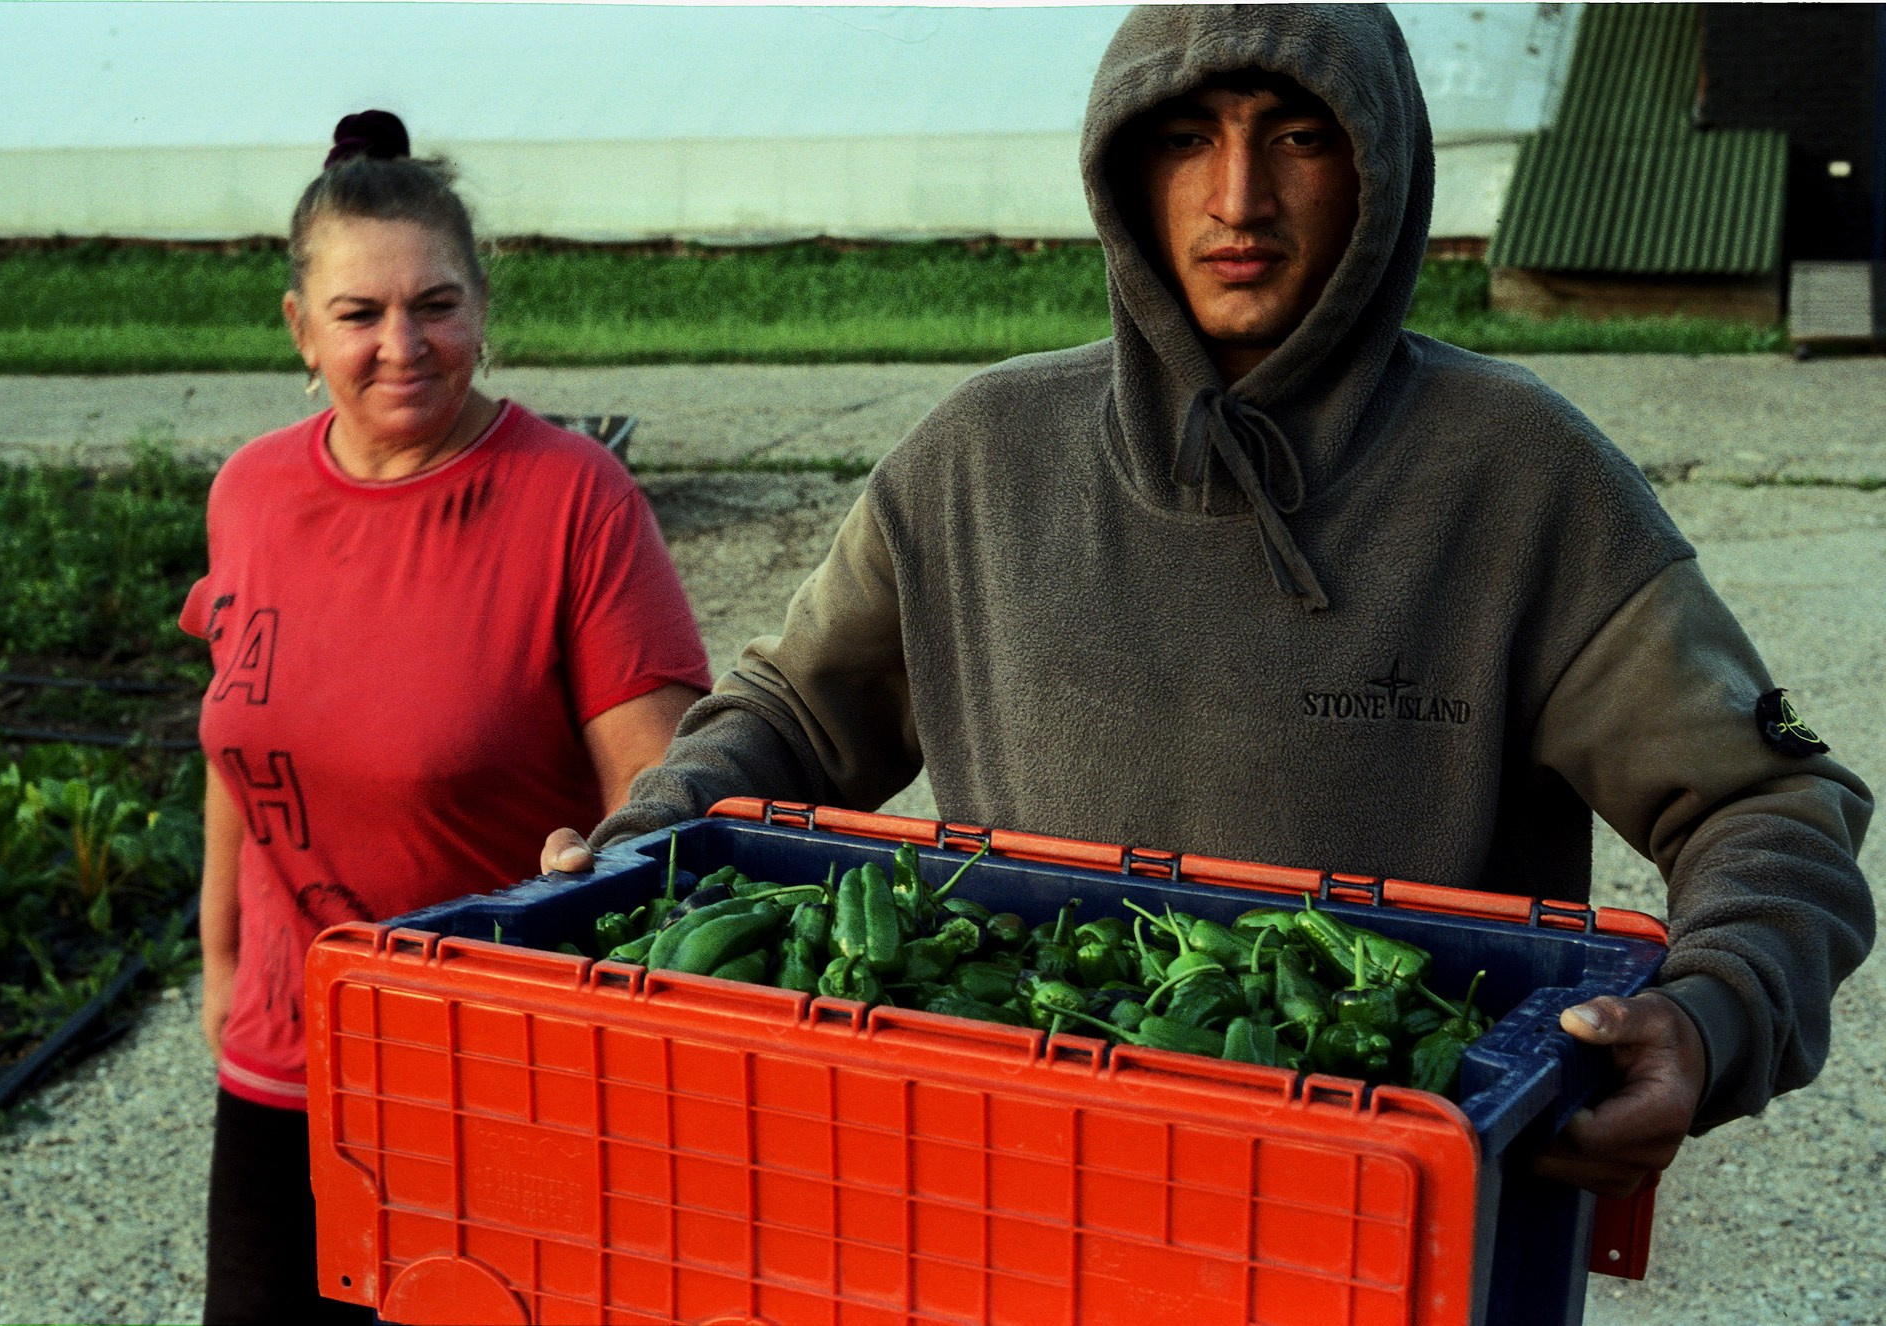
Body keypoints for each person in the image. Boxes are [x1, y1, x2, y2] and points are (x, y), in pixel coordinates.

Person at [543, 5, 1873, 1211]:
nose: (1240, 196)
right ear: (1124, 173)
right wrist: (630, 849)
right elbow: (779, 715)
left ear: (1382, 165)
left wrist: (1711, 1019)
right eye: (1185, 137)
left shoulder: (1526, 476)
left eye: (1298, 135)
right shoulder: (979, 458)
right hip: (1016, 1200)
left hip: (1390, 1212)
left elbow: (1779, 787)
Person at [184, 110, 710, 1323]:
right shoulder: (251, 493)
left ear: (482, 307)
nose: (400, 346)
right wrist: (217, 961)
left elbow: (667, 795)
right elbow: (234, 741)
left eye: (435, 305)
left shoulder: (572, 499)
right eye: (359, 315)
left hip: (494, 1067)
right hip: (286, 1058)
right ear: (299, 330)